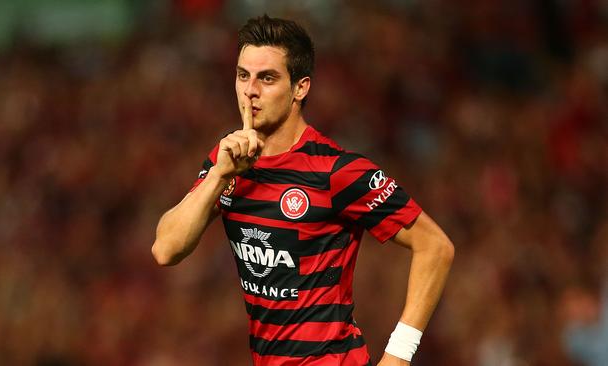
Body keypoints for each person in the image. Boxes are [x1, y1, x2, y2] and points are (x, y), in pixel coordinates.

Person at [152, 15, 454, 366]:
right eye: (242, 75)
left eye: (267, 78)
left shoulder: (336, 171)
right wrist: (219, 174)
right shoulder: (226, 162)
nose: (250, 90)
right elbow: (165, 249)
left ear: (300, 88)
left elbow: (435, 247)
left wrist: (399, 356)